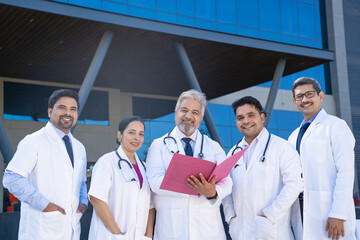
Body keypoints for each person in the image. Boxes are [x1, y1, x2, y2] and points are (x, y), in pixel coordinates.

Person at [146, 89, 232, 240]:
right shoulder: (158, 145)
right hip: (171, 229)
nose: (188, 116)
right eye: (184, 110)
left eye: (195, 112)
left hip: (208, 230)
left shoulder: (214, 147)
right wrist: (197, 187)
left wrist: (212, 192)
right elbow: (154, 182)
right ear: (176, 112)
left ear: (201, 117)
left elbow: (227, 182)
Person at [2, 89, 88, 240]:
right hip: (41, 229)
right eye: (62, 108)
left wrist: (83, 201)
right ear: (50, 112)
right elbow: (12, 178)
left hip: (71, 227)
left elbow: (80, 180)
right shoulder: (34, 141)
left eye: (73, 109)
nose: (68, 113)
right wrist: (44, 205)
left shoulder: (79, 147)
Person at [222, 96, 303, 240]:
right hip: (241, 232)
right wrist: (231, 217)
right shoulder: (232, 153)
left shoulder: (283, 147)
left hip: (272, 230)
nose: (245, 121)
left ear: (262, 117)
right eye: (240, 117)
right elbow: (227, 191)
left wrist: (269, 215)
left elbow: (294, 184)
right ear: (236, 122)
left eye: (251, 115)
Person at [288, 77, 356, 240]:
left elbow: (345, 172)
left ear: (321, 96)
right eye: (299, 96)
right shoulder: (293, 136)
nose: (304, 100)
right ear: (294, 101)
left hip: (330, 212)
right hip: (302, 211)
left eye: (309, 94)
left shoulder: (336, 126)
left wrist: (338, 213)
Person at [88, 116, 155, 240]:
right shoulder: (107, 162)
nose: (136, 138)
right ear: (120, 135)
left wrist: (148, 235)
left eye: (140, 134)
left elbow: (150, 206)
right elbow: (97, 199)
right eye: (131, 132)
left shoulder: (145, 168)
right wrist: (118, 235)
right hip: (112, 236)